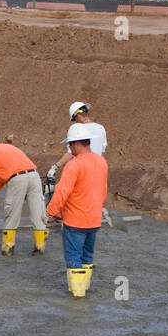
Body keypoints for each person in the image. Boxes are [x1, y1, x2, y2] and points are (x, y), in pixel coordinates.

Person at [46, 123, 108, 299]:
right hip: (94, 220)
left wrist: (49, 212)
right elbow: (102, 191)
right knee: (87, 256)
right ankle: (85, 288)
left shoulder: (73, 165)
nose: (69, 149)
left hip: (75, 221)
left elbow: (61, 192)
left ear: (76, 144)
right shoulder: (101, 162)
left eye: (70, 145)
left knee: (74, 257)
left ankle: (78, 297)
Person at [48, 100, 108, 186]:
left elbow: (70, 153)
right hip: (97, 173)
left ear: (78, 115)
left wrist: (55, 167)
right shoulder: (101, 128)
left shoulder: (79, 131)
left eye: (74, 119)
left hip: (83, 172)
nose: (75, 122)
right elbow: (101, 153)